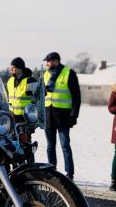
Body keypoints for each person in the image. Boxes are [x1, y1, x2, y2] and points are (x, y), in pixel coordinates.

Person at [43, 52, 81, 180]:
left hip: (64, 116)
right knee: (50, 146)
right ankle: (51, 171)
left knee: (65, 146)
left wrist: (74, 115)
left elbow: (76, 96)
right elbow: (42, 95)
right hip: (49, 115)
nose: (47, 64)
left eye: (48, 61)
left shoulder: (69, 73)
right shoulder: (46, 74)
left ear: (56, 61)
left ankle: (69, 174)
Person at [6, 57, 37, 122]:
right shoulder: (10, 81)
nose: (11, 69)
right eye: (11, 67)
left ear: (20, 68)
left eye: (13, 67)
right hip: (12, 116)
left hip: (25, 117)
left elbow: (38, 99)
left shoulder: (30, 81)